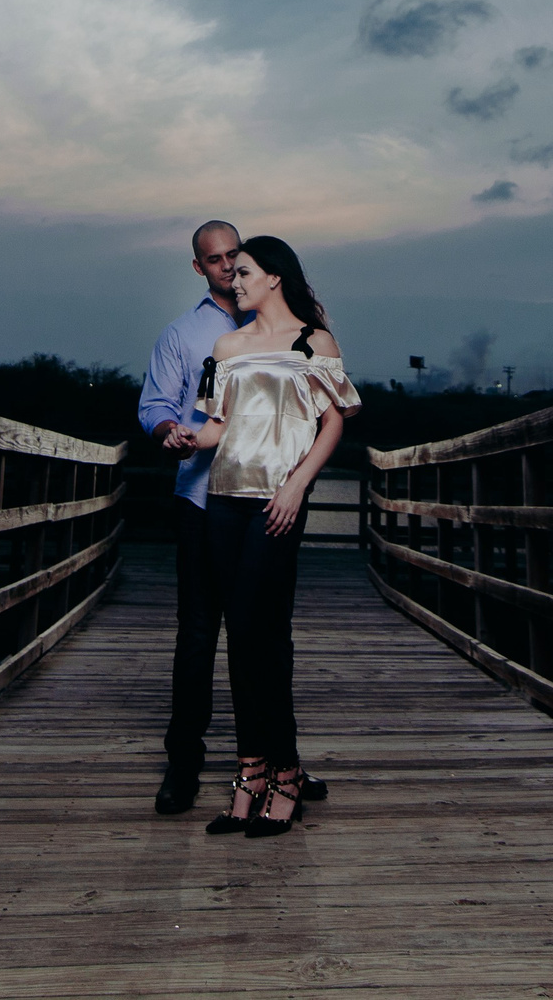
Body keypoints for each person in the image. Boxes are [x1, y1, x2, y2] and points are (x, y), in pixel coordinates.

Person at [183, 234, 359, 837]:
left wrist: (296, 486)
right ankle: (253, 773)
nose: (234, 280)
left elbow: (333, 423)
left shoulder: (314, 343)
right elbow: (217, 427)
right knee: (241, 635)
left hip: (277, 503)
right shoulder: (228, 345)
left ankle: (285, 778)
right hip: (224, 501)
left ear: (275, 276)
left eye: (245, 271)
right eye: (230, 273)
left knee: (262, 635)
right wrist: (185, 438)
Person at [135, 220, 248, 814]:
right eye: (215, 258)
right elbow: (155, 404)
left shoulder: (276, 322)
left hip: (260, 504)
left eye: (235, 254)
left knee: (260, 634)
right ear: (199, 267)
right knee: (199, 633)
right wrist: (169, 431)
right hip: (202, 499)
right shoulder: (182, 333)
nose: (227, 266)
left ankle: (275, 762)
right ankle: (184, 762)